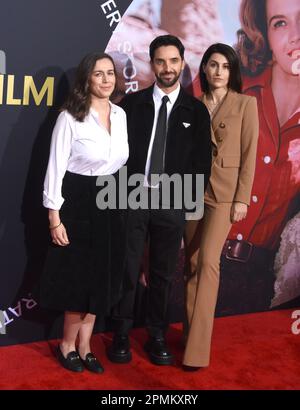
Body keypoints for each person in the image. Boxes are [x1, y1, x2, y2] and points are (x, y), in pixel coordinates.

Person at [107, 34, 212, 366]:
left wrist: (184, 206)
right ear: (152, 64)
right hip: (132, 197)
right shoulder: (132, 105)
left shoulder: (195, 111)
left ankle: (155, 335)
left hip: (173, 202)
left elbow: (202, 163)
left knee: (164, 273)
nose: (167, 68)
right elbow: (116, 154)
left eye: (173, 61)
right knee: (126, 268)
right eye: (160, 61)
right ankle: (121, 333)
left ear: (182, 62)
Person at [191, 0, 300, 314]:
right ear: (264, 32)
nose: (294, 35)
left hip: (254, 287)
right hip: (188, 263)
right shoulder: (226, 83)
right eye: (279, 23)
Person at [40, 52, 129, 373]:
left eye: (110, 73)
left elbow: (120, 163)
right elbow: (55, 167)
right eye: (98, 74)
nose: (106, 80)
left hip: (112, 200)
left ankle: (86, 345)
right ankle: (67, 345)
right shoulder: (70, 117)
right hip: (77, 200)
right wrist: (54, 217)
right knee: (78, 281)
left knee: (101, 279)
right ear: (86, 80)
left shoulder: (120, 115)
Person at [183, 43, 259, 369]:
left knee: (209, 263)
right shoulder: (193, 105)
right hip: (192, 193)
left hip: (225, 194)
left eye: (225, 66)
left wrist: (243, 197)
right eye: (213, 65)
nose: (218, 72)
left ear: (232, 72)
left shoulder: (245, 104)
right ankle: (189, 337)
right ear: (204, 68)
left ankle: (197, 352)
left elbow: (250, 154)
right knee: (192, 263)